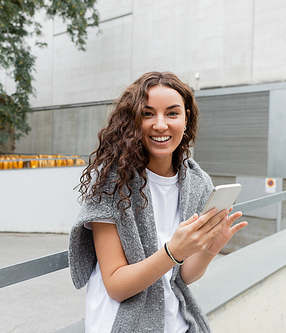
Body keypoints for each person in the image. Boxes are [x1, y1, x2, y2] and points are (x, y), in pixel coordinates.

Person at [68, 71, 247, 333]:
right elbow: (116, 286)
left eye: (172, 113)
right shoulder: (112, 182)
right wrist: (174, 251)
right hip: (121, 325)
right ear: (132, 121)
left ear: (186, 119)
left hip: (177, 325)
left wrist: (208, 250)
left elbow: (182, 276)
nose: (160, 124)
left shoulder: (197, 182)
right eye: (148, 113)